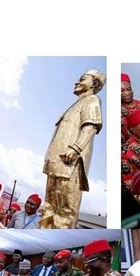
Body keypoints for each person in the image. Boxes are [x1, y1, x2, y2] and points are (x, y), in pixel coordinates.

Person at [40, 69, 106, 229]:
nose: (77, 82)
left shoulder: (92, 100)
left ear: (94, 84)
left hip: (70, 163)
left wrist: (75, 149)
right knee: (48, 207)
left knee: (65, 213)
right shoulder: (74, 105)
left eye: (82, 79)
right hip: (56, 163)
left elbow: (90, 126)